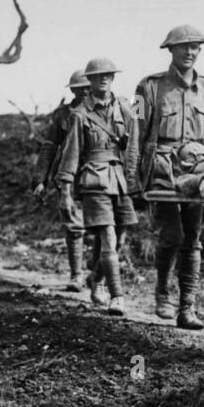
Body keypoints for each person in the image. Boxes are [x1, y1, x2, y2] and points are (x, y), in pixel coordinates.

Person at [131, 25, 204, 329]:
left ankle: (187, 307)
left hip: (198, 168)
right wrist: (132, 179)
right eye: (184, 47)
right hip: (161, 168)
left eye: (195, 47)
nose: (190, 52)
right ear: (170, 50)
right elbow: (136, 133)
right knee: (172, 235)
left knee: (194, 238)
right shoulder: (148, 87)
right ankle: (162, 293)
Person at [55, 58, 138, 316]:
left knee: (120, 240)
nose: (104, 79)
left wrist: (135, 178)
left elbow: (134, 144)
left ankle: (97, 278)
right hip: (93, 180)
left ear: (113, 78)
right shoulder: (79, 115)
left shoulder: (124, 107)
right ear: (89, 80)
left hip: (119, 180)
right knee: (108, 238)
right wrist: (65, 192)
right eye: (98, 75)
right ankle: (117, 297)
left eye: (108, 75)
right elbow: (71, 154)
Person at [34, 69, 91, 292]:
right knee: (74, 225)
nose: (84, 93)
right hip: (70, 176)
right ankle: (77, 275)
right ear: (73, 90)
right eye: (79, 89)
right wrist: (40, 178)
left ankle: (97, 277)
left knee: (103, 226)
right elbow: (50, 146)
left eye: (88, 88)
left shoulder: (105, 110)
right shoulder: (62, 115)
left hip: (100, 174)